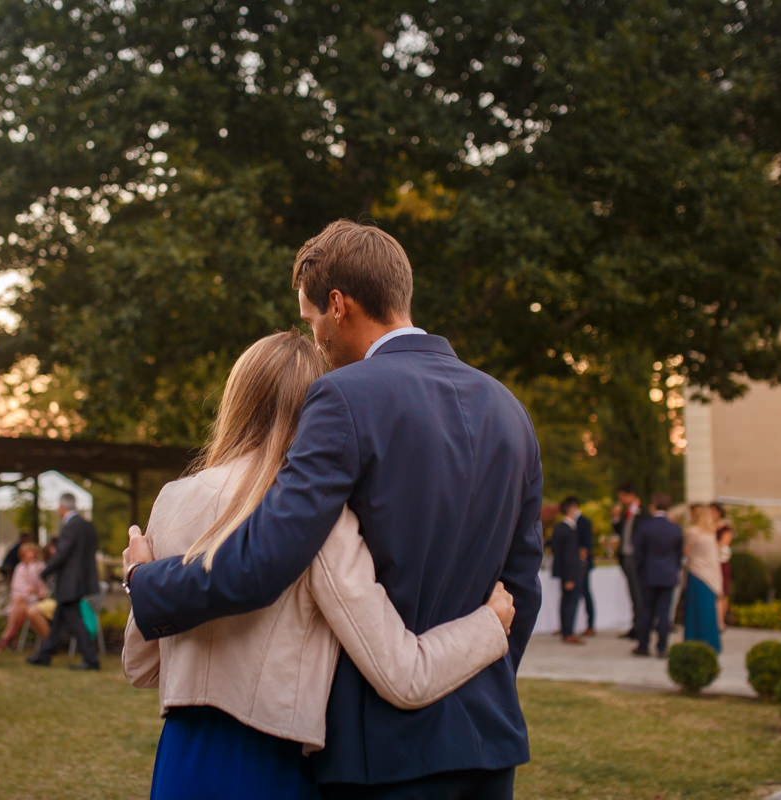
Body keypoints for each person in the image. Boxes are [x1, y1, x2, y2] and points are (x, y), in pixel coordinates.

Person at [125, 220, 543, 799]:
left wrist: (146, 582)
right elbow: (523, 582)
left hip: (379, 751)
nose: (315, 339)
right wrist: (483, 684)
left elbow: (265, 559)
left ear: (338, 305)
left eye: (312, 318)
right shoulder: (509, 410)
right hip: (489, 740)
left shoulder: (345, 396)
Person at [26, 494, 100, 670]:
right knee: (60, 618)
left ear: (62, 507)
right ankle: (45, 654)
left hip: (69, 582)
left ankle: (91, 660)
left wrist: (45, 571)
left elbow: (62, 553)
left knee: (75, 621)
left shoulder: (69, 526)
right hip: (82, 579)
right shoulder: (88, 526)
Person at [633, 493, 683, 658]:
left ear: (654, 505)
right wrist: (673, 569)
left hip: (649, 574)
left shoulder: (645, 527)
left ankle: (643, 645)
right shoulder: (674, 528)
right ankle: (662, 647)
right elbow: (678, 555)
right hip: (668, 574)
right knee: (664, 612)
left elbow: (638, 554)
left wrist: (640, 572)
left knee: (647, 610)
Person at [0, 542, 50, 650]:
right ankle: (9, 637)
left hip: (35, 600)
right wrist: (28, 591)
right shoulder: (20, 568)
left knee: (19, 605)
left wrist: (36, 591)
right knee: (19, 604)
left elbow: (43, 586)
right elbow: (17, 587)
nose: (29, 559)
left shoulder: (40, 567)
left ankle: (7, 636)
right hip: (22, 601)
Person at [683, 505, 722, 654]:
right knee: (707, 611)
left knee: (696, 611)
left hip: (698, 574)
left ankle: (694, 640)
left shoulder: (693, 532)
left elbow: (686, 551)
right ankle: (710, 642)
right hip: (710, 575)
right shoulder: (710, 534)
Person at [612, 484, 648, 640]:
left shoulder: (644, 513)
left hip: (636, 558)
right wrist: (615, 518)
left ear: (630, 495)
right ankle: (636, 626)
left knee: (639, 594)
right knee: (633, 593)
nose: (620, 500)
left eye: (622, 497)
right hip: (626, 557)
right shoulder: (627, 512)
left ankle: (641, 628)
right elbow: (621, 530)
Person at [550, 497, 585, 644]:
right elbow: (568, 556)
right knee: (570, 601)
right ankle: (568, 632)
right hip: (570, 572)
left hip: (565, 572)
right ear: (571, 509)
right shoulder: (567, 530)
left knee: (566, 601)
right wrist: (570, 577)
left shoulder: (559, 528)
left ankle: (566, 630)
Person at [713, 503, 733, 631]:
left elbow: (723, 544)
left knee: (723, 592)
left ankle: (720, 621)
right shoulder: (707, 527)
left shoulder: (725, 528)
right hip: (709, 563)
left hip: (720, 562)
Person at [577, 505, 596, 636]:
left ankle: (590, 625)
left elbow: (586, 544)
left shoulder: (583, 522)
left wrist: (582, 562)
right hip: (575, 565)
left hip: (582, 564)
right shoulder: (575, 522)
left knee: (585, 593)